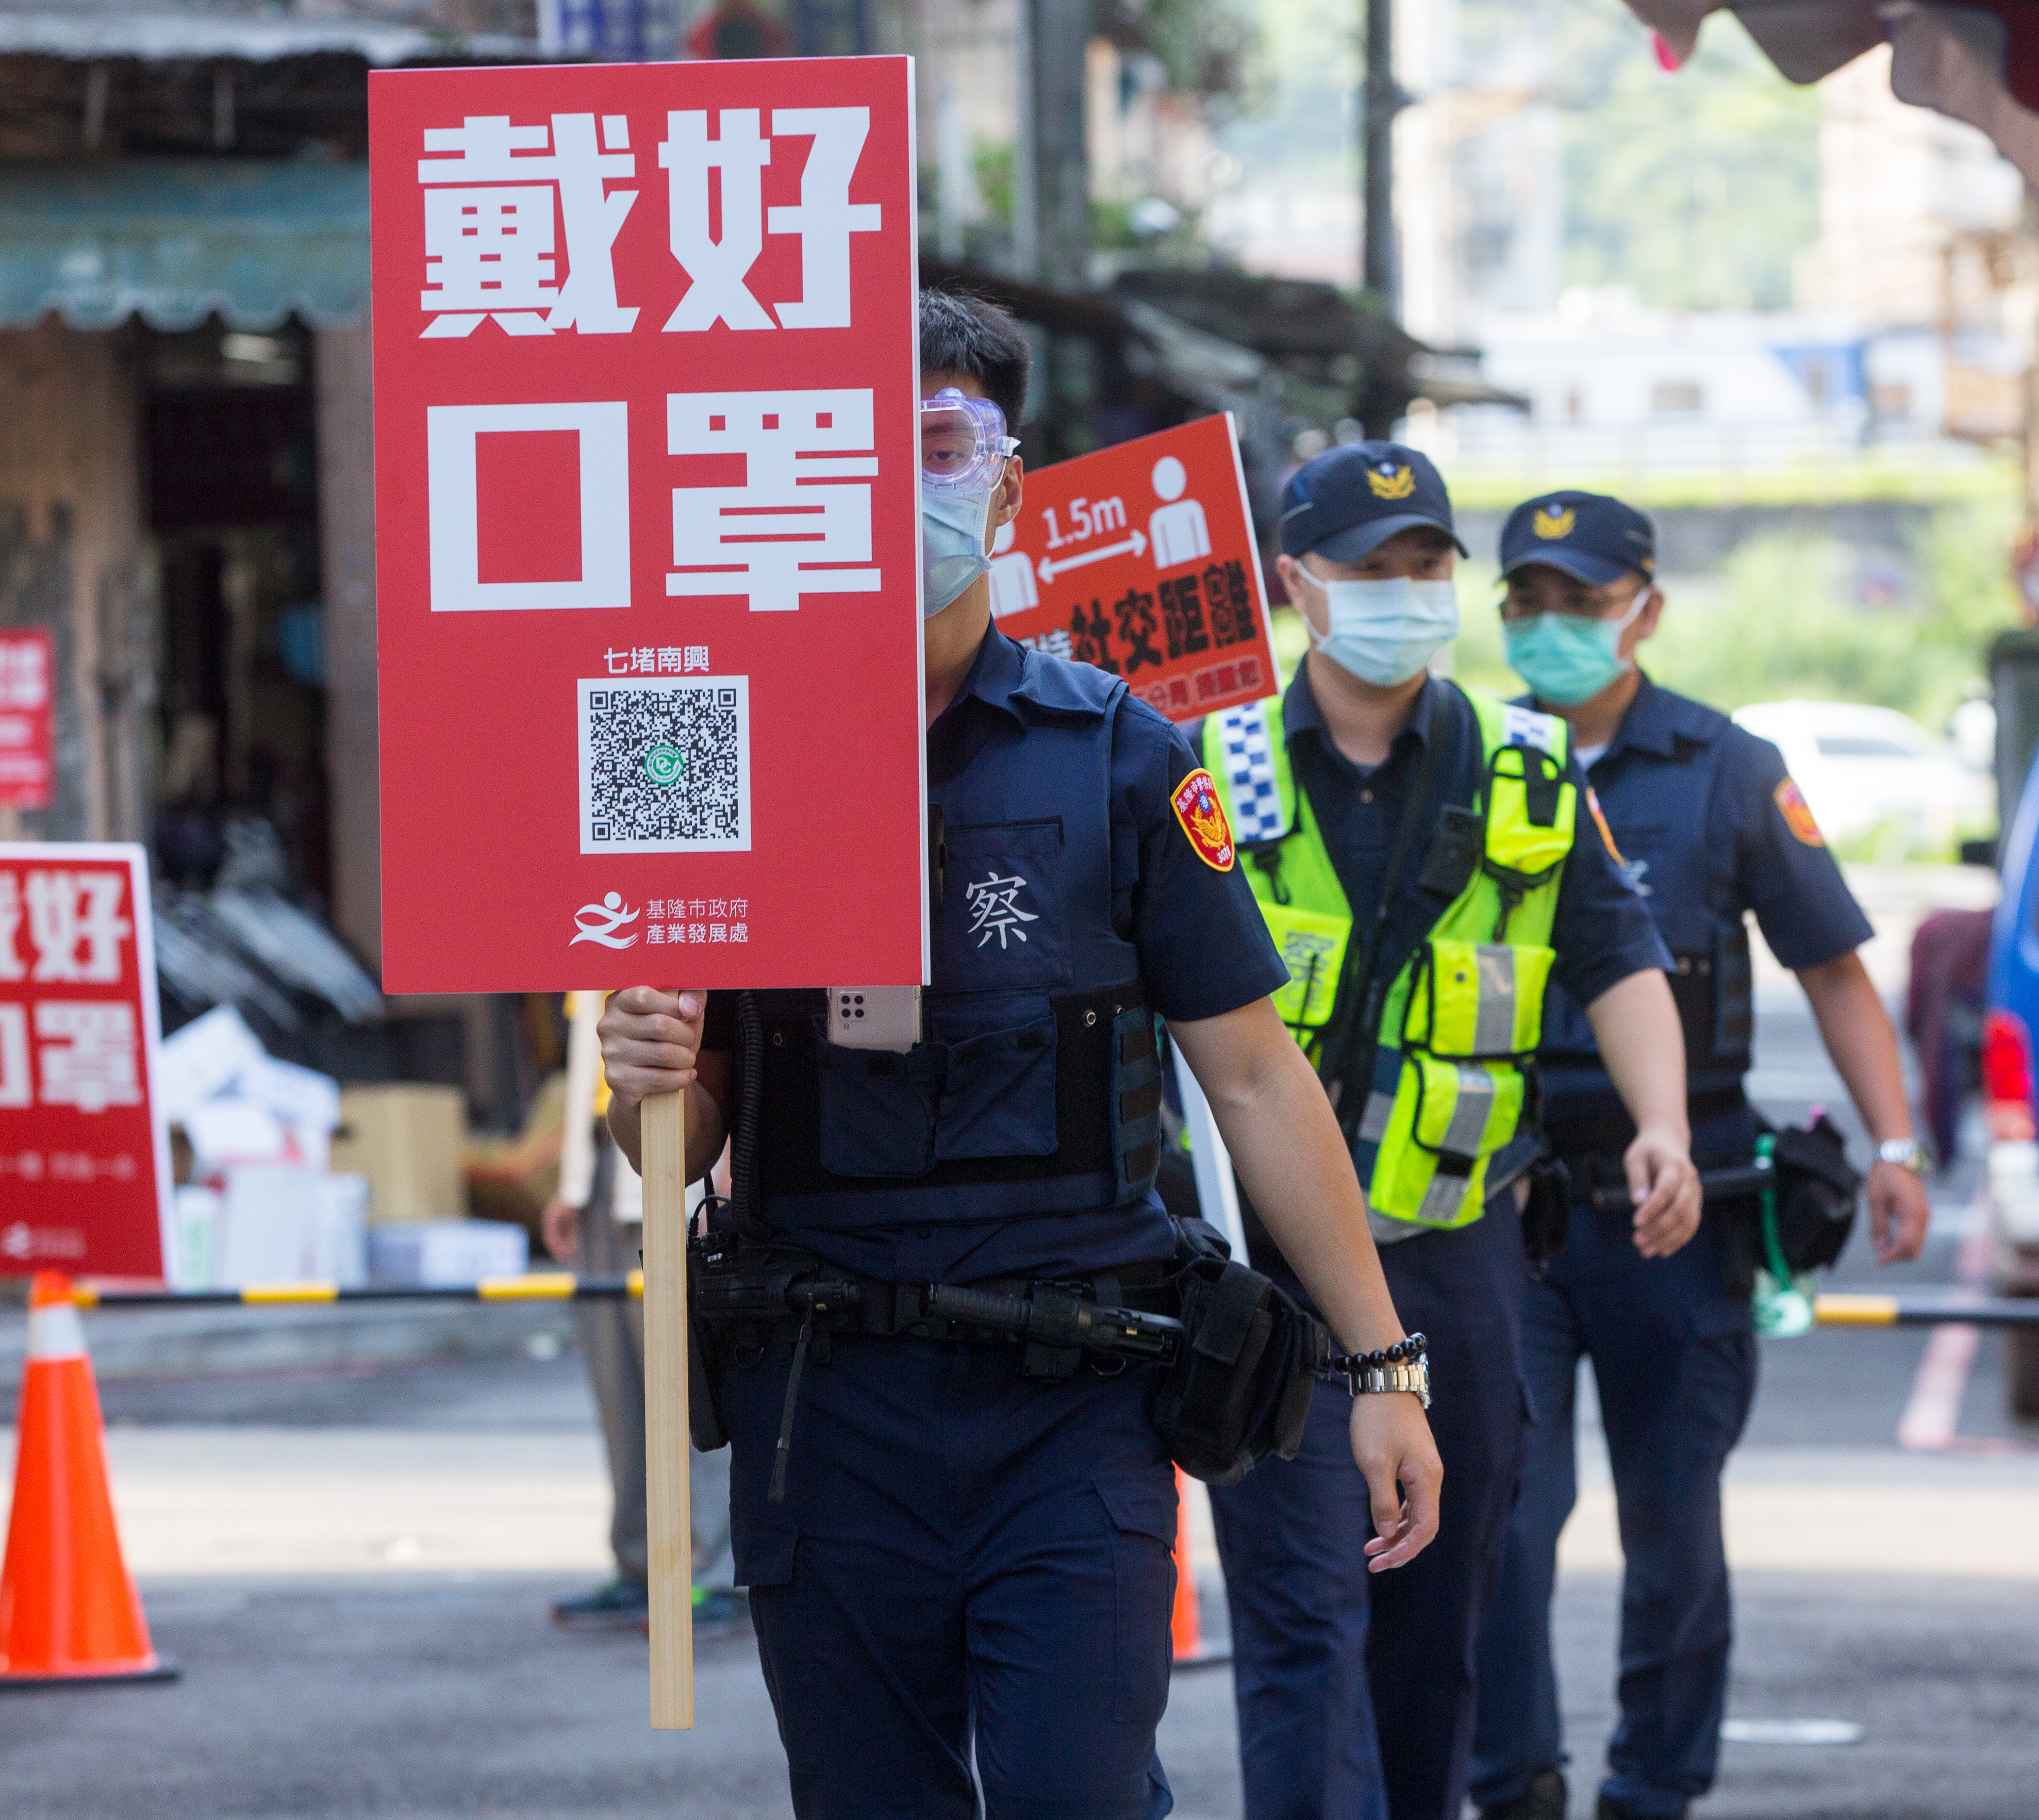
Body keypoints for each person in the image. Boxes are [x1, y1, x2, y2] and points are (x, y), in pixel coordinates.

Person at [595, 289, 1445, 1820]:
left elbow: (1250, 1075)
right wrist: (641, 1073)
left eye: (935, 442)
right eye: (853, 447)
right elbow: (684, 1110)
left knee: (1076, 1796)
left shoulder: (1120, 755)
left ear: (1001, 477)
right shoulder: (713, 743)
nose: (898, 482)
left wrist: (1379, 1363)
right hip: (820, 1404)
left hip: (1072, 1402)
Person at [1193, 444, 1703, 1820]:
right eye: (1369, 570)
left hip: (1455, 1252)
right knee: (1303, 1619)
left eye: (1426, 567)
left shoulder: (1530, 771)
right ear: (1296, 586)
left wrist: (1660, 1120)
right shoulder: (1196, 767)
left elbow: (1617, 960)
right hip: (1267, 1273)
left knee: (1432, 1626)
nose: (1405, 593)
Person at [1466, 492, 1933, 1820]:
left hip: (1686, 1205)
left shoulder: (1723, 766)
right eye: (1527, 601)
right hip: (1504, 1196)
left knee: (1672, 1528)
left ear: (1644, 611)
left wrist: (1892, 1142)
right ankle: (1510, 1783)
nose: (1550, 625)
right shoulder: (1470, 756)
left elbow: (1832, 967)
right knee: (1504, 1512)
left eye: (1579, 599)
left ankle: (1653, 1788)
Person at [541, 991, 741, 1632]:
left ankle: (709, 1569)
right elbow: (589, 1061)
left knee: (683, 1388)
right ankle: (639, 1565)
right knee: (620, 1388)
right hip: (606, 1174)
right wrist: (574, 1182)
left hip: (674, 1171)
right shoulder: (594, 914)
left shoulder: (678, 910)